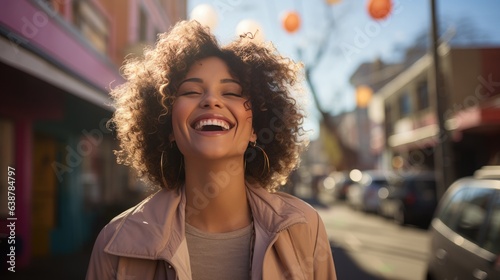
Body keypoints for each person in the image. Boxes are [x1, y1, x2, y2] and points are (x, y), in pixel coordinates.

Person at [86, 20, 337, 280]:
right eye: (192, 91)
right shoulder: (114, 244)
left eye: (230, 92)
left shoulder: (305, 228)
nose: (211, 100)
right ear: (167, 125)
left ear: (256, 128)